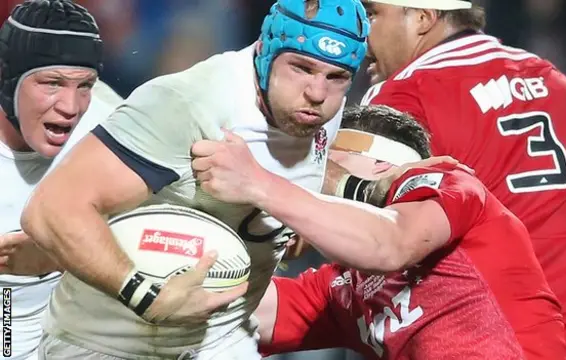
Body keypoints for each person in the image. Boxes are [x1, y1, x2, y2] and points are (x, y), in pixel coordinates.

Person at [19, 0, 370, 359]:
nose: (316, 92)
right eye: (300, 67)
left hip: (222, 340)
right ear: (265, 51)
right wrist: (146, 295)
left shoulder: (316, 104)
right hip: (107, 342)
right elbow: (51, 210)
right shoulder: (190, 104)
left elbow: (292, 175)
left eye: (337, 76)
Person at [195, 104, 566, 359]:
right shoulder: (341, 288)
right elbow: (235, 305)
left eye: (321, 160)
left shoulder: (447, 183)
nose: (306, 175)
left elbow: (390, 243)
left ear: (378, 163)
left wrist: (261, 184)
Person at [353, 0, 566, 359]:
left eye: (372, 14)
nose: (362, 33)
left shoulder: (405, 96)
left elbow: (370, 241)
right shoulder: (560, 84)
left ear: (422, 19)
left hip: (495, 343)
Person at [0, 1, 106, 359]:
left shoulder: (110, 129)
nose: (71, 106)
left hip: (79, 326)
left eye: (85, 85)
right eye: (52, 83)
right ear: (7, 78)